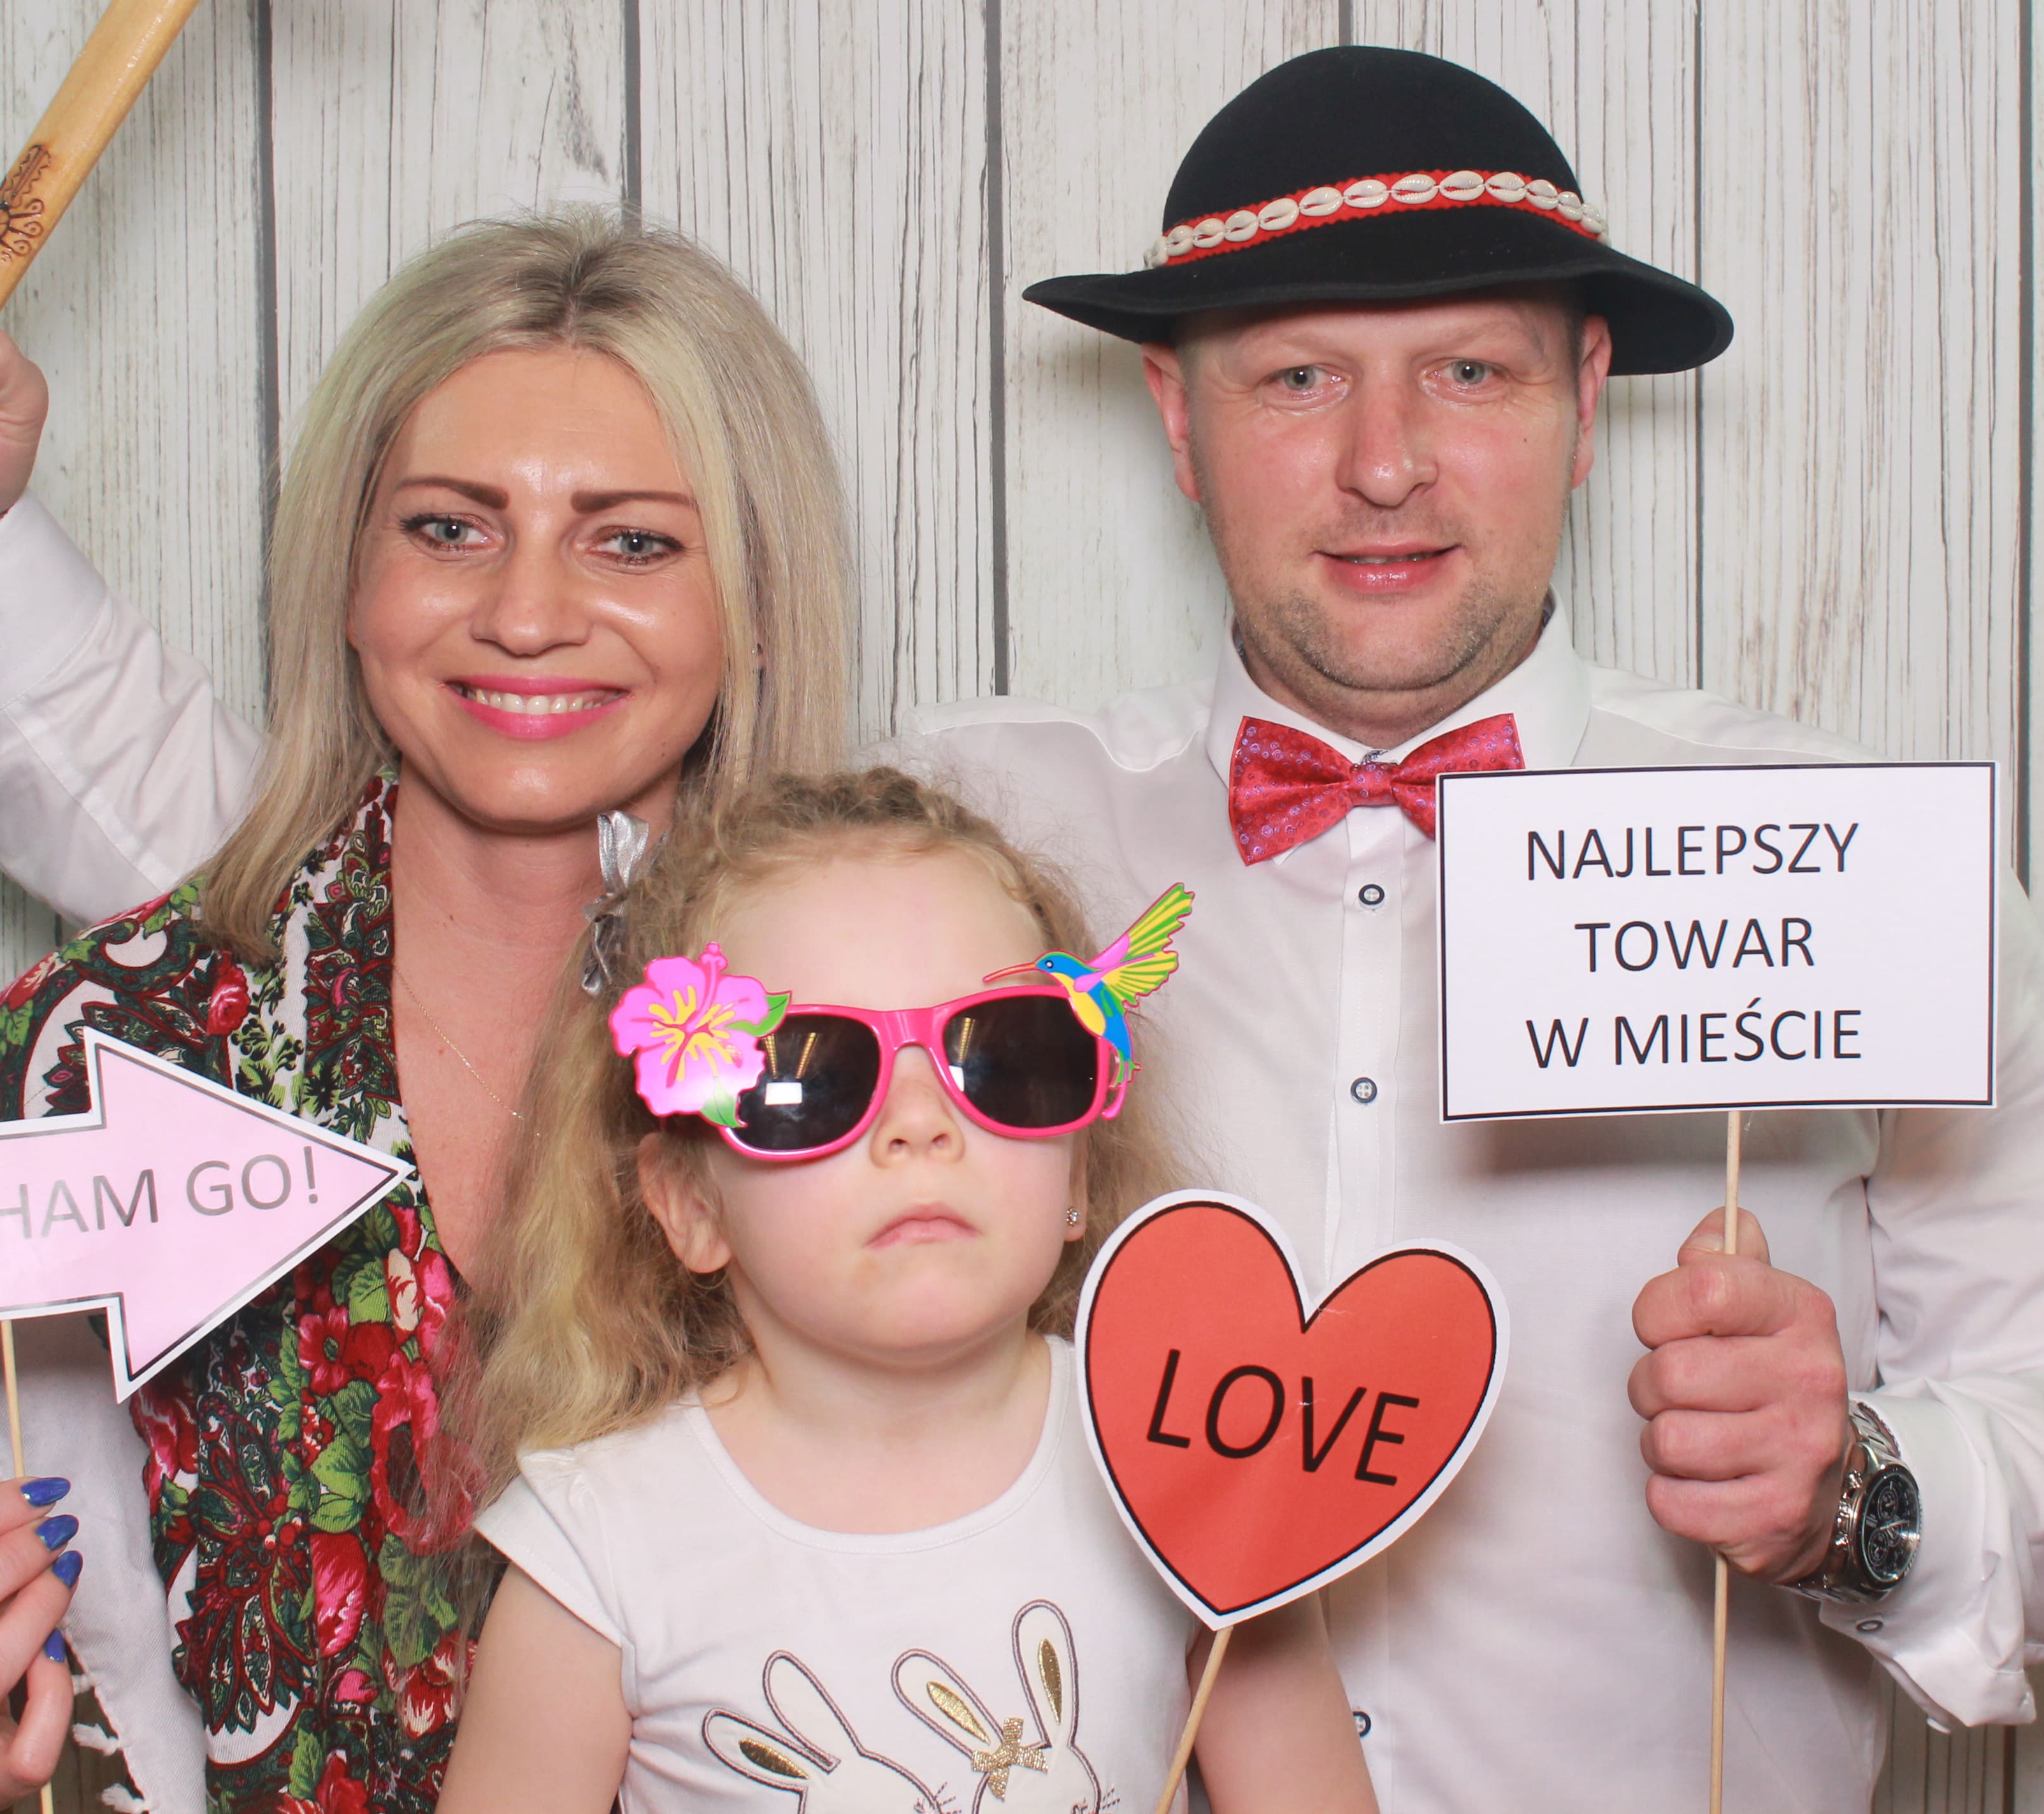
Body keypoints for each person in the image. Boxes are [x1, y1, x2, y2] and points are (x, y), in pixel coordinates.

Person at [0, 48, 2044, 1810]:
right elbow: (419, 844)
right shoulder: (976, 834)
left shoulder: (1830, 866)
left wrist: (1865, 1491)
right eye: (1297, 379)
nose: (1385, 463)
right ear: (1177, 419)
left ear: (1587, 394)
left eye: (1471, 373)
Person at [0, 212, 854, 1813]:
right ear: (350, 576)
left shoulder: (874, 1054)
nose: (526, 613)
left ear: (756, 603)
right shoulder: (108, 1044)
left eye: (633, 542)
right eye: (450, 528)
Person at [439, 765, 1374, 1814]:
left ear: (1076, 1170)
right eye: (812, 1077)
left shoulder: (1196, 1455)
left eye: (1007, 1057)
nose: (921, 1126)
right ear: (691, 1205)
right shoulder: (600, 1544)